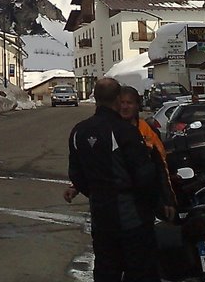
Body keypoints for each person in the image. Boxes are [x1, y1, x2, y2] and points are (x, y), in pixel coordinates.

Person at [64, 77, 159, 282]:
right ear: (117, 99)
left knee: (106, 269)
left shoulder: (79, 131)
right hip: (130, 215)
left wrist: (96, 192)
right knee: (140, 270)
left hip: (100, 215)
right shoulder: (125, 130)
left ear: (96, 98)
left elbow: (76, 174)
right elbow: (144, 174)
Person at [118, 85, 176, 222]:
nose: (125, 107)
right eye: (122, 102)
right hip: (118, 201)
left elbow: (161, 166)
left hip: (146, 199)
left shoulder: (147, 130)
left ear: (137, 106)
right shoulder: (108, 128)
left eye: (129, 103)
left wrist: (168, 200)